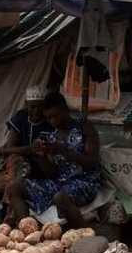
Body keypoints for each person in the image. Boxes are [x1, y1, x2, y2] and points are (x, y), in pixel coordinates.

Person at [7, 92, 101, 228]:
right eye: (48, 118)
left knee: (60, 197)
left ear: (65, 110)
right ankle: (27, 232)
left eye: (55, 116)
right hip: (59, 183)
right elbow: (52, 174)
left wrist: (63, 150)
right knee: (15, 187)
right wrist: (40, 156)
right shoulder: (52, 136)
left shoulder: (83, 127)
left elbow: (92, 162)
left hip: (85, 182)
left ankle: (84, 235)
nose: (52, 121)